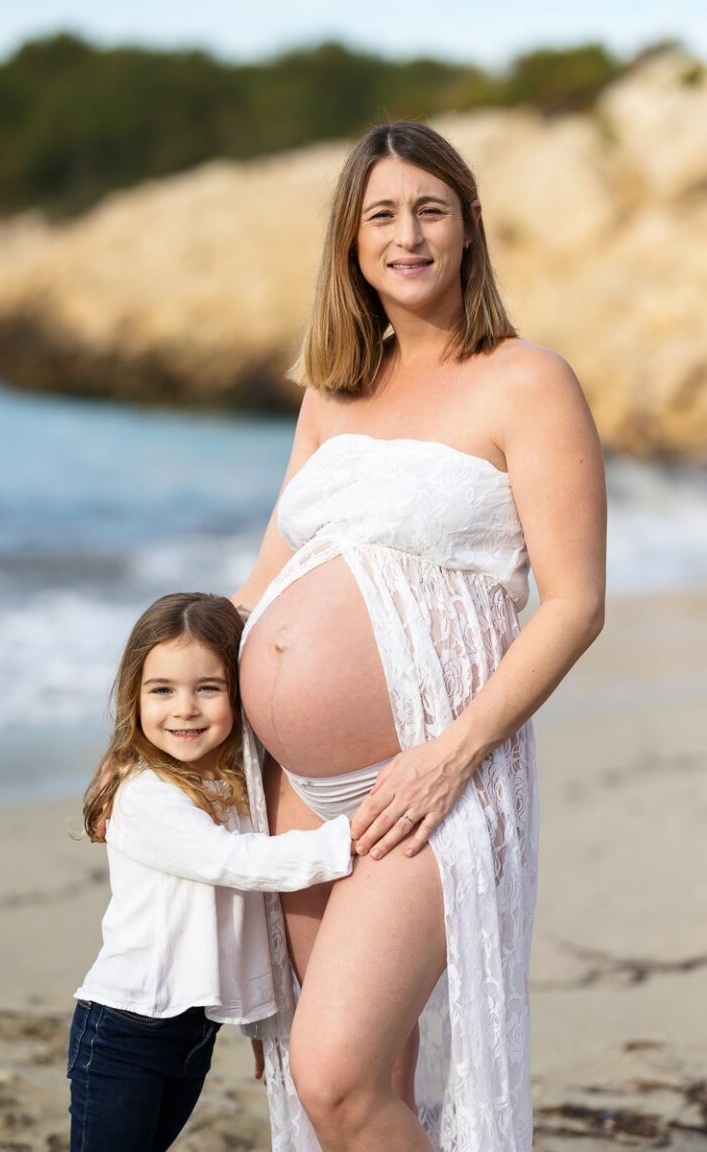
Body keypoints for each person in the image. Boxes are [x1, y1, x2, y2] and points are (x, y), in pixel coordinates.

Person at [233, 121, 607, 1152]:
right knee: (367, 1081)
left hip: (431, 775)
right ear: (351, 242)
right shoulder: (331, 391)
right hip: (297, 790)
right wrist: (151, 714)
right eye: (382, 216)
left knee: (334, 1077)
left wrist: (448, 760)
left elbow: (574, 604)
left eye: (429, 210)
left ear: (469, 226)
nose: (408, 236)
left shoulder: (527, 381)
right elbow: (262, 586)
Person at [68, 592, 354, 1152]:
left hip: (194, 1033)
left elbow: (248, 931)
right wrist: (347, 838)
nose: (185, 708)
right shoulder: (144, 795)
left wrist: (257, 1023)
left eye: (208, 687)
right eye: (162, 690)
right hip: (125, 1030)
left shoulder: (233, 787)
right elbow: (237, 865)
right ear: (134, 696)